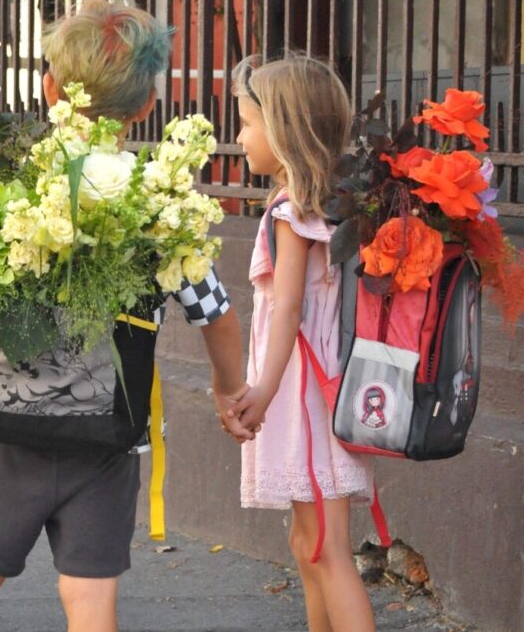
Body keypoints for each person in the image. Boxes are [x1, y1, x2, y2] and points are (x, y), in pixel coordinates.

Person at [0, 0, 251, 632]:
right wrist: (229, 391)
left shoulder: (16, 190)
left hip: (8, 431)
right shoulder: (160, 203)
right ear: (146, 106)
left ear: (50, 89)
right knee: (90, 599)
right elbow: (215, 312)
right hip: (107, 435)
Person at [226, 53, 377, 632]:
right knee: (307, 541)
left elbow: (288, 306)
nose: (239, 137)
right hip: (310, 392)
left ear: (284, 131)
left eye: (247, 123)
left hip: (302, 396)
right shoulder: (314, 209)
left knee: (326, 548)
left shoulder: (293, 214)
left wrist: (260, 390)